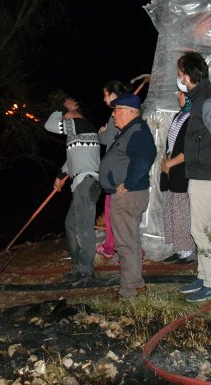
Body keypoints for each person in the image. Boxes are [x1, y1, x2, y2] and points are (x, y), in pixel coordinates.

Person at [177, 51, 211, 303]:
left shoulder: (208, 101)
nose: (179, 79)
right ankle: (203, 274)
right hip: (201, 171)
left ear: (189, 75)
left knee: (200, 230)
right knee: (201, 227)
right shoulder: (198, 99)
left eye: (180, 75)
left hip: (208, 173)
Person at [97, 93, 157, 299]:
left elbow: (146, 156)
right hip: (128, 195)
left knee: (125, 244)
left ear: (130, 112)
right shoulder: (130, 131)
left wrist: (129, 183)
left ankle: (128, 291)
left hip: (127, 196)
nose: (113, 115)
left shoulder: (137, 131)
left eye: (117, 110)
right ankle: (137, 283)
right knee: (131, 241)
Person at [44, 97, 102, 285]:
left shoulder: (81, 124)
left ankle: (86, 272)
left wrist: (61, 109)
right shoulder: (77, 132)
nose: (63, 117)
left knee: (84, 228)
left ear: (73, 112)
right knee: (71, 224)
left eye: (66, 113)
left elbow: (49, 125)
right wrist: (60, 176)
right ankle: (78, 268)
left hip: (87, 182)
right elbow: (72, 160)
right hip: (80, 183)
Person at [159, 81, 196, 264]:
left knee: (182, 212)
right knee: (171, 211)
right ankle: (178, 248)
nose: (177, 96)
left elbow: (189, 149)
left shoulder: (194, 119)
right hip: (171, 172)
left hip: (181, 172)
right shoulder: (179, 117)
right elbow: (171, 144)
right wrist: (165, 161)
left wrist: (170, 163)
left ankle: (188, 251)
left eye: (181, 93)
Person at [96, 80, 129, 259]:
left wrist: (102, 132)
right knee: (114, 210)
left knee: (112, 210)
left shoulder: (116, 114)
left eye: (106, 95)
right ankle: (117, 246)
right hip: (120, 169)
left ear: (114, 95)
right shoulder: (128, 111)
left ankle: (111, 247)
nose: (104, 99)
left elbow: (106, 138)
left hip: (116, 172)